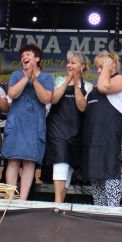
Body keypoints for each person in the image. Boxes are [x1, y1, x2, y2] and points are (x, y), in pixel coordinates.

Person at [2, 44, 54, 200]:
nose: (24, 57)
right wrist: (26, 77)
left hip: (34, 125)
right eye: (23, 55)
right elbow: (12, 94)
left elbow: (46, 99)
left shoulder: (46, 77)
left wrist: (34, 79)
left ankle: (22, 200)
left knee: (30, 163)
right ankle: (10, 198)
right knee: (13, 161)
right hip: (16, 123)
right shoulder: (16, 75)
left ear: (37, 58)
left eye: (28, 54)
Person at [81, 51, 122, 206]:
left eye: (100, 67)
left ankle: (112, 210)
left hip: (112, 137)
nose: (98, 71)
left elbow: (104, 87)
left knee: (110, 172)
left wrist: (107, 69)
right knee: (95, 175)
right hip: (94, 136)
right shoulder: (94, 87)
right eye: (97, 67)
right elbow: (82, 107)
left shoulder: (121, 79)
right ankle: (99, 209)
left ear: (112, 65)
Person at [45, 51, 91, 203]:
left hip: (75, 130)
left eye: (73, 63)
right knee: (60, 161)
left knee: (69, 167)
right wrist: (67, 82)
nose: (69, 65)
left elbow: (82, 107)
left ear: (82, 66)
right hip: (57, 128)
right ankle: (57, 203)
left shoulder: (88, 86)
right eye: (68, 62)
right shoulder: (59, 81)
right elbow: (53, 99)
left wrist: (76, 85)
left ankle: (60, 203)